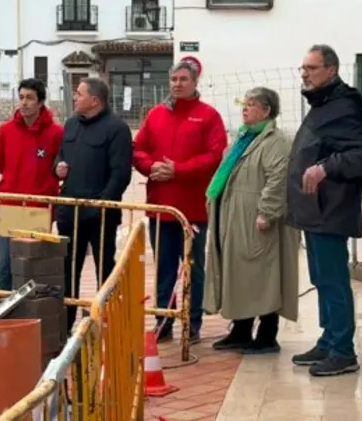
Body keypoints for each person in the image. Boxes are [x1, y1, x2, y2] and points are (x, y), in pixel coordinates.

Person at [287, 45, 362, 377]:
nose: (305, 73)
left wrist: (324, 168)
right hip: (315, 211)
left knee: (334, 280)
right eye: (303, 68)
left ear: (332, 70)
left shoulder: (343, 107)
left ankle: (343, 350)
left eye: (311, 68)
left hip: (330, 211)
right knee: (321, 279)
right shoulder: (324, 103)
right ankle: (328, 340)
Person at [133, 60, 226, 343]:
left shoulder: (208, 117)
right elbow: (138, 149)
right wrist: (151, 167)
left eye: (183, 79)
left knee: (193, 268)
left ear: (195, 82)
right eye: (174, 79)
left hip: (193, 210)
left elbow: (214, 155)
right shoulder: (156, 115)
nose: (177, 84)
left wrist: (179, 170)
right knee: (163, 267)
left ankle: (192, 321)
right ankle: (163, 321)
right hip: (161, 207)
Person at [204, 87, 299, 354]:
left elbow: (277, 179)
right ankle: (241, 330)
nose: (245, 109)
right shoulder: (243, 138)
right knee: (239, 276)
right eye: (244, 104)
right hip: (235, 218)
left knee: (265, 276)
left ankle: (267, 334)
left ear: (266, 111)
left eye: (251, 104)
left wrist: (267, 213)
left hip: (256, 220)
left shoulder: (275, 142)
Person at [55, 77, 133, 330]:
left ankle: (108, 321)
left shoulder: (117, 129)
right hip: (69, 213)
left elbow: (121, 173)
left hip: (101, 216)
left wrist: (102, 204)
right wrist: (58, 168)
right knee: (67, 269)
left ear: (95, 101)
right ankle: (65, 324)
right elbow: (60, 157)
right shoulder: (70, 125)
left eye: (79, 94)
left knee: (105, 269)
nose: (75, 97)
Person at [0, 78, 63, 290]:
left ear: (40, 102)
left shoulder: (56, 133)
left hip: (39, 208)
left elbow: (58, 165)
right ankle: (3, 313)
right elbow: (1, 161)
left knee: (34, 264)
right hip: (11, 205)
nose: (24, 103)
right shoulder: (6, 130)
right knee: (6, 264)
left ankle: (32, 313)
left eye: (30, 98)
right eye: (21, 97)